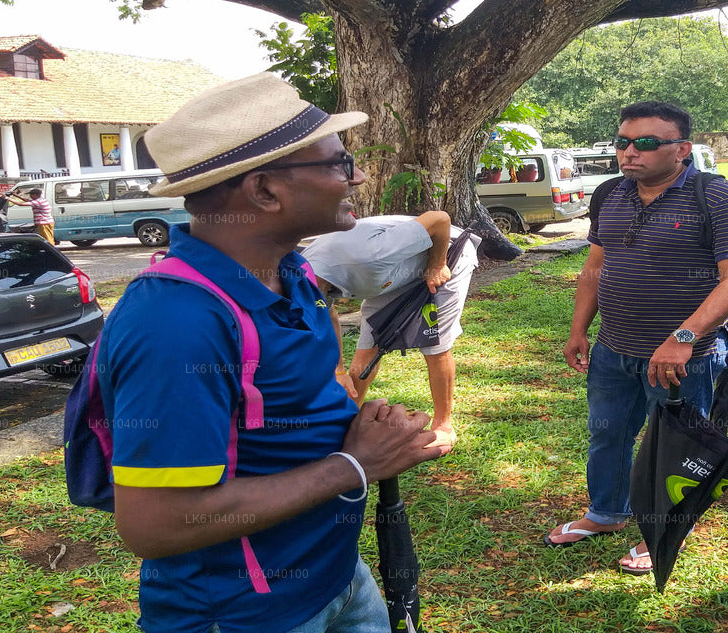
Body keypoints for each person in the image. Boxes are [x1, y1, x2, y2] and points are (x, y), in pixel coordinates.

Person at [95, 73, 443, 633]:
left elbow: (300, 402)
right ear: (264, 191)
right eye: (339, 162)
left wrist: (364, 426)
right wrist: (355, 465)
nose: (357, 176)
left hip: (338, 578)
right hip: (245, 613)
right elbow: (153, 524)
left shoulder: (294, 271)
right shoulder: (178, 321)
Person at [544, 101, 728, 575]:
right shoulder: (610, 194)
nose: (629, 152)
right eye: (622, 142)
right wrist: (579, 329)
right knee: (608, 433)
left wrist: (683, 337)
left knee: (675, 445)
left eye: (645, 143)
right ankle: (606, 512)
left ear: (681, 149)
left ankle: (663, 529)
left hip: (686, 357)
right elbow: (595, 267)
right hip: (613, 349)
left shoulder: (719, 198)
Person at [303, 211, 479, 449]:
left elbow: (440, 219)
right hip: (393, 272)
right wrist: (338, 370)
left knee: (434, 344)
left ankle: (443, 427)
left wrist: (437, 265)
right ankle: (346, 422)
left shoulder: (372, 255)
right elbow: (328, 313)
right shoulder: (304, 279)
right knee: (368, 344)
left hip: (448, 252)